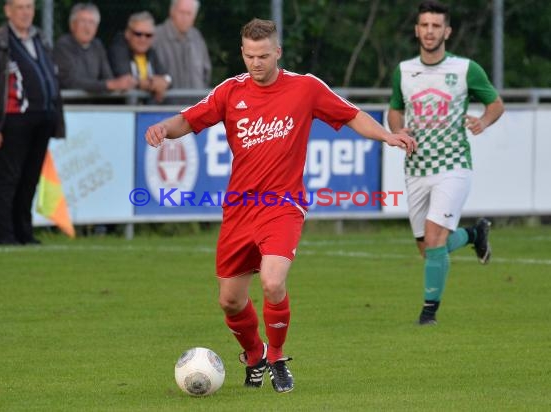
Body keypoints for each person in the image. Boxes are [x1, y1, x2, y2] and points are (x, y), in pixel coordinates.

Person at [145, 18, 417, 393]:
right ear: (242, 52)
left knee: (273, 282)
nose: (256, 63)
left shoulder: (305, 88)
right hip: (239, 208)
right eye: (249, 56)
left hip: (282, 205)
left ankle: (277, 357)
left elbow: (351, 114)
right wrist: (163, 128)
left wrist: (387, 135)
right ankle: (254, 355)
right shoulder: (230, 91)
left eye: (263, 56)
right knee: (230, 300)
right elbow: (189, 120)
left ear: (278, 53)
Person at [387, 0, 505, 325]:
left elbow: (495, 103)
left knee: (435, 236)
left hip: (453, 165)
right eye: (424, 25)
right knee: (428, 249)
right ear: (417, 30)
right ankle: (473, 235)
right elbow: (395, 108)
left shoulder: (465, 69)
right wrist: (397, 130)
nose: (429, 31)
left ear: (447, 31)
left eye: (436, 26)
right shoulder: (404, 70)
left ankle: (428, 314)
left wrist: (483, 121)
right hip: (416, 167)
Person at [0, 0, 65, 245]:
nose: (25, 12)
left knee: (30, 178)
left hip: (42, 119)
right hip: (13, 121)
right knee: (9, 178)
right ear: (8, 10)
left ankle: (23, 231)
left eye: (29, 7)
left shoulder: (40, 39)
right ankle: (4, 234)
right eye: (20, 7)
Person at [53, 2, 136, 94]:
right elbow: (69, 81)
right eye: (83, 21)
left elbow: (107, 77)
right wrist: (108, 85)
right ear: (72, 25)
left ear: (96, 27)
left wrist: (120, 84)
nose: (87, 27)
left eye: (92, 22)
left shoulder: (97, 46)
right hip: (71, 104)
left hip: (95, 104)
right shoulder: (63, 46)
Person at [108, 11, 172, 104]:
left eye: (148, 35)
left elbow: (168, 76)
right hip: (122, 114)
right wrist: (152, 84)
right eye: (138, 34)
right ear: (128, 34)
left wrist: (165, 82)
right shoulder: (118, 50)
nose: (143, 39)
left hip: (146, 113)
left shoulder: (151, 52)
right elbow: (125, 78)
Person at [153, 0, 211, 100]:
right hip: (164, 109)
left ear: (194, 16)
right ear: (172, 12)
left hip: (195, 108)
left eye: (189, 13)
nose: (184, 18)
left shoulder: (197, 37)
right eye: (181, 12)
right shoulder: (155, 37)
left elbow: (206, 73)